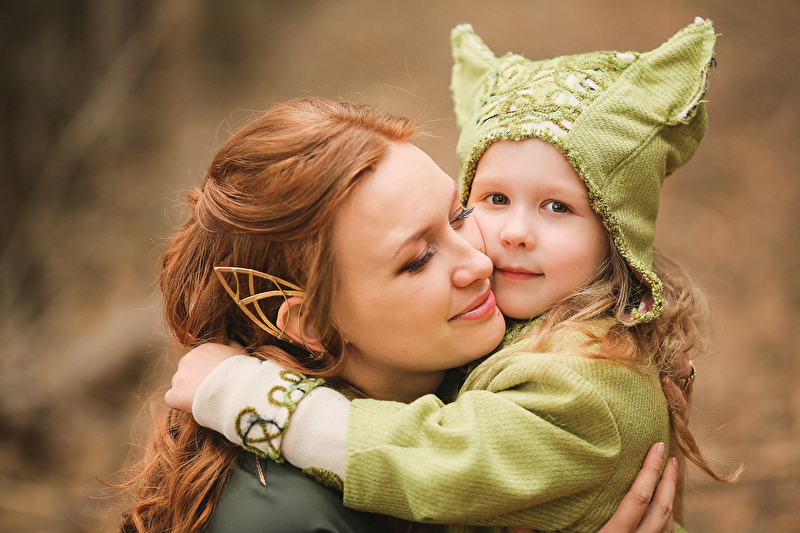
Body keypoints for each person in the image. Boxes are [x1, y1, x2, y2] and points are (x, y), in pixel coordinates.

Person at [166, 18, 740, 533]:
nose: (484, 259)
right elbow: (433, 457)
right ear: (311, 323)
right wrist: (252, 399)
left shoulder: (583, 373)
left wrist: (250, 395)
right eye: (418, 258)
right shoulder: (283, 517)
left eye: (457, 216)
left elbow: (441, 457)